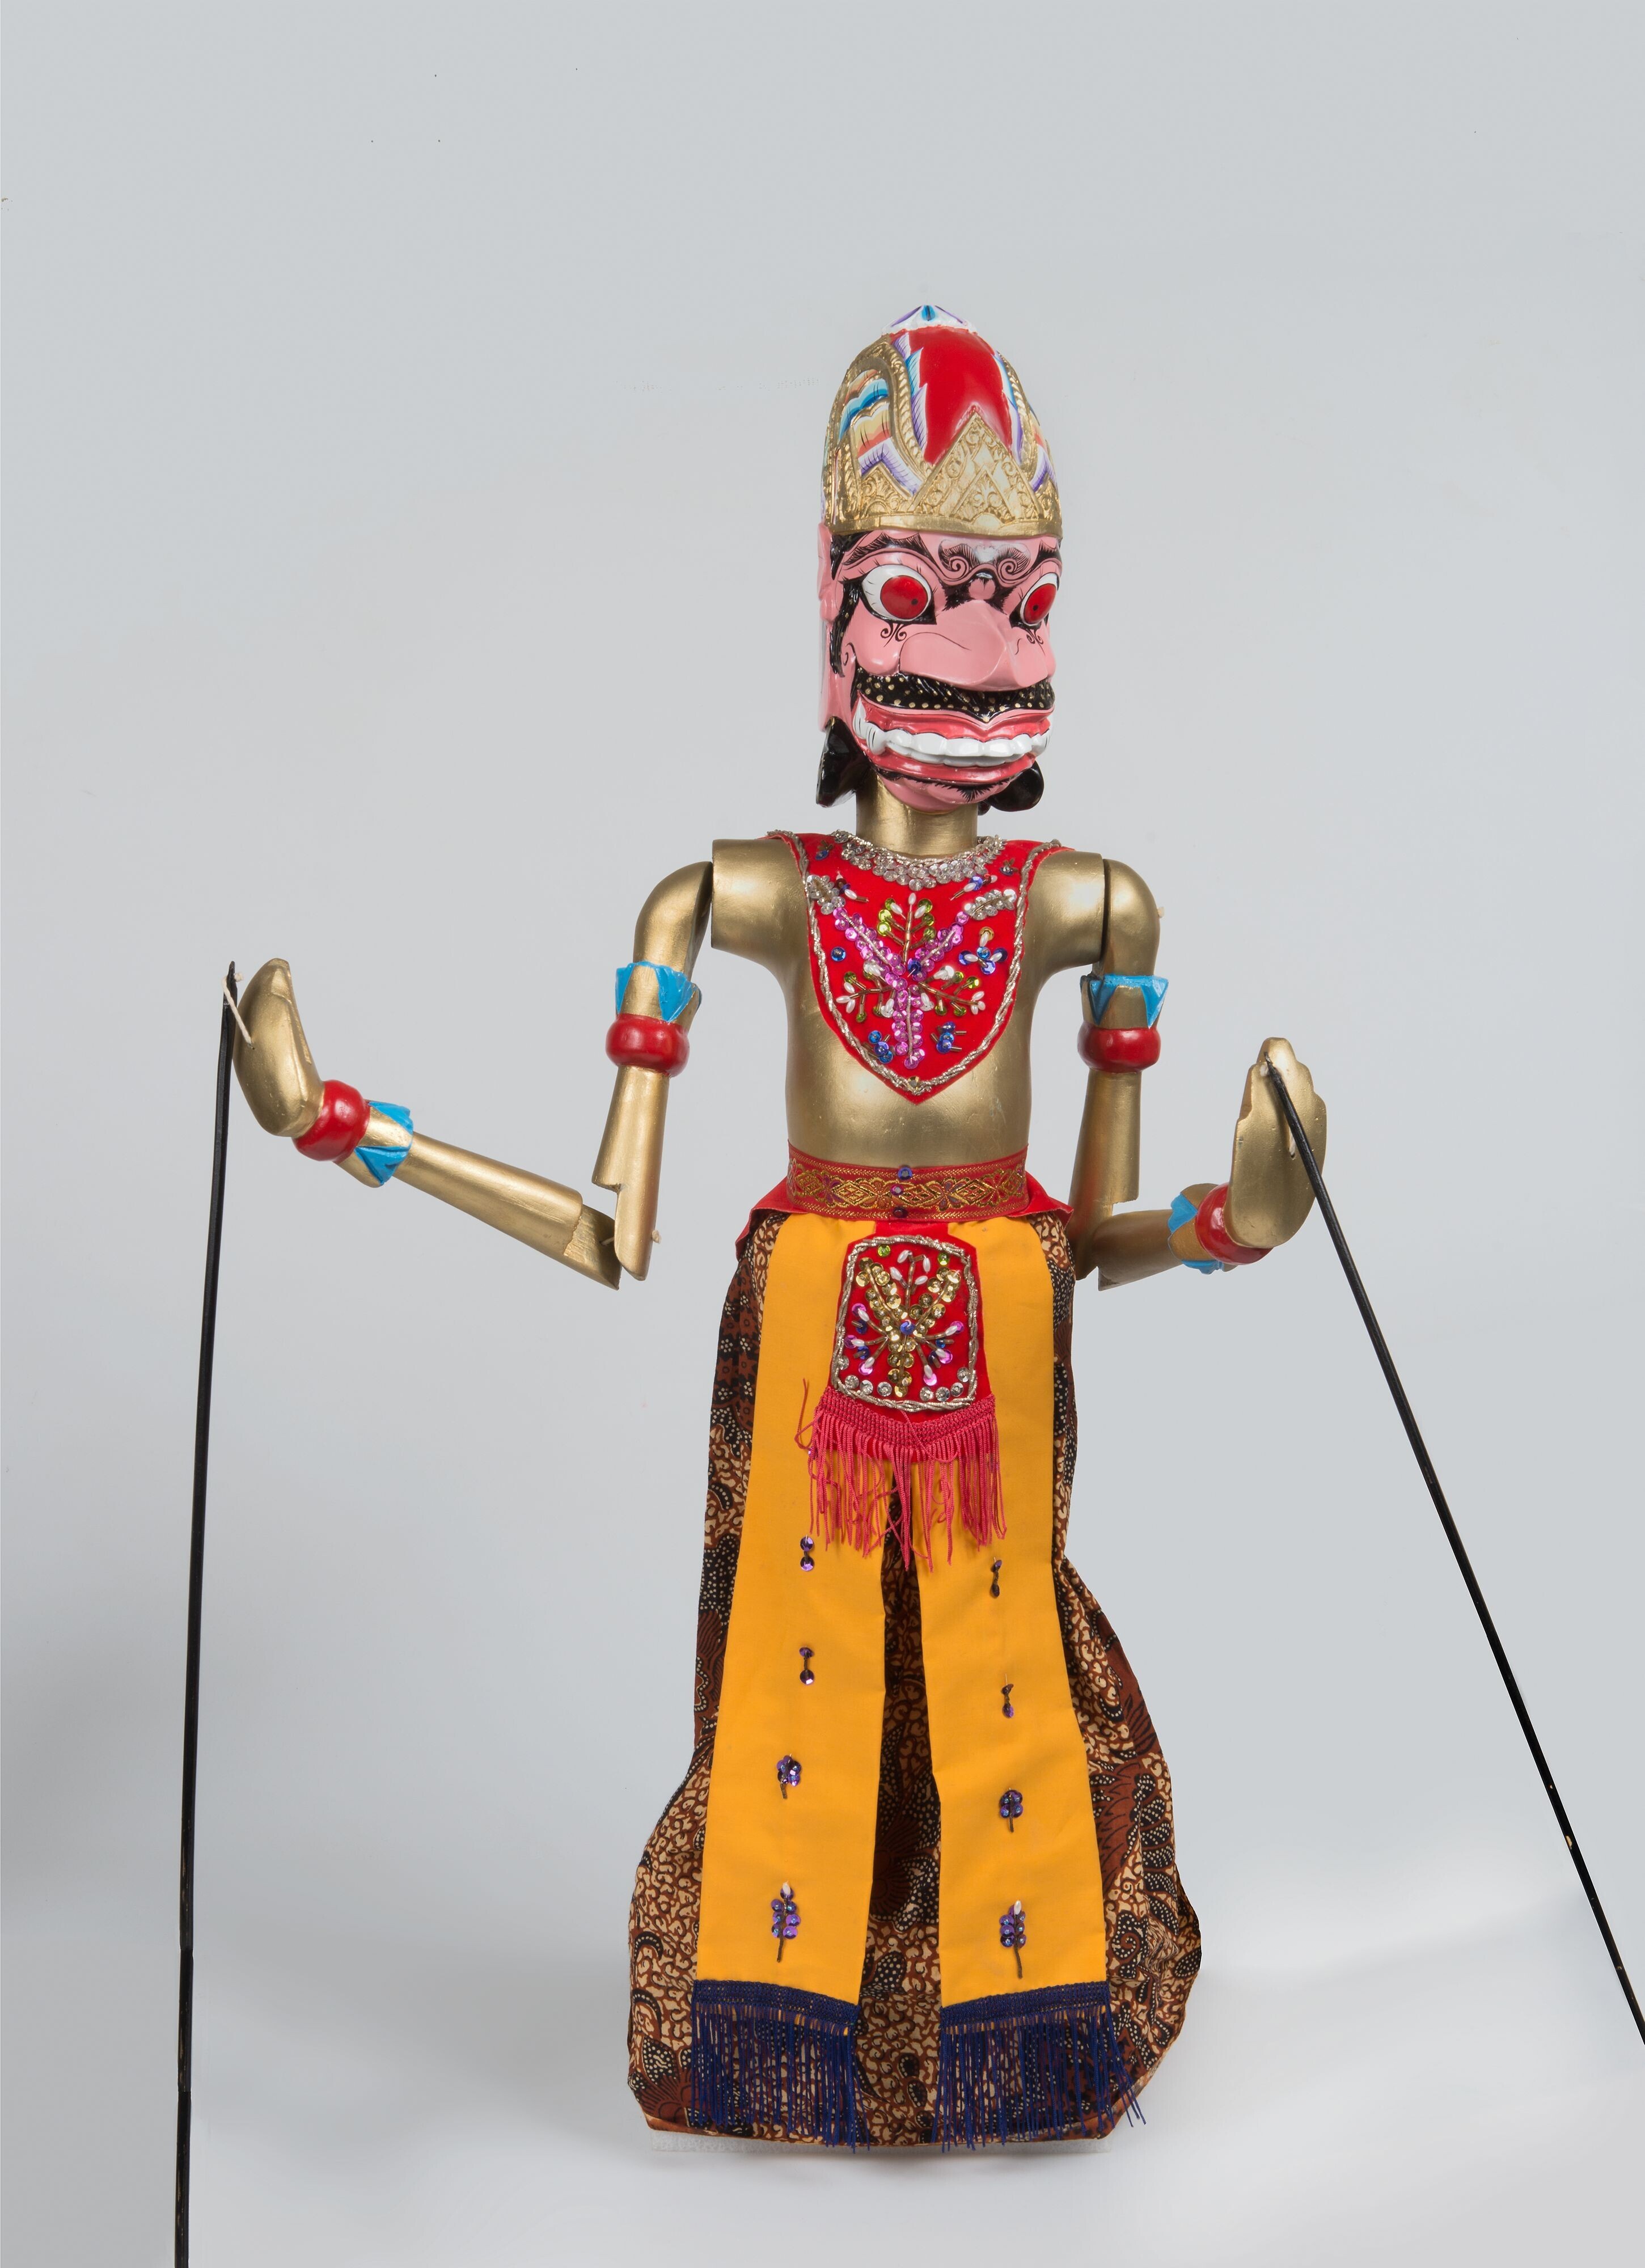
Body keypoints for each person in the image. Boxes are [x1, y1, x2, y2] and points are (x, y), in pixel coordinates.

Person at [231, 305, 1326, 2149]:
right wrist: (346, 1128)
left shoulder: (1094, 906)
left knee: (1003, 1668)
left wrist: (1238, 1222)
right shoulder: (729, 897)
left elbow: (1089, 1235)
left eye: (1024, 602)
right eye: (917, 593)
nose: (981, 649)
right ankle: (795, 2024)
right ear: (833, 610)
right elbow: (612, 1225)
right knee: (797, 1678)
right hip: (804, 1345)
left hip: (1004, 1343)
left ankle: (1014, 2025)